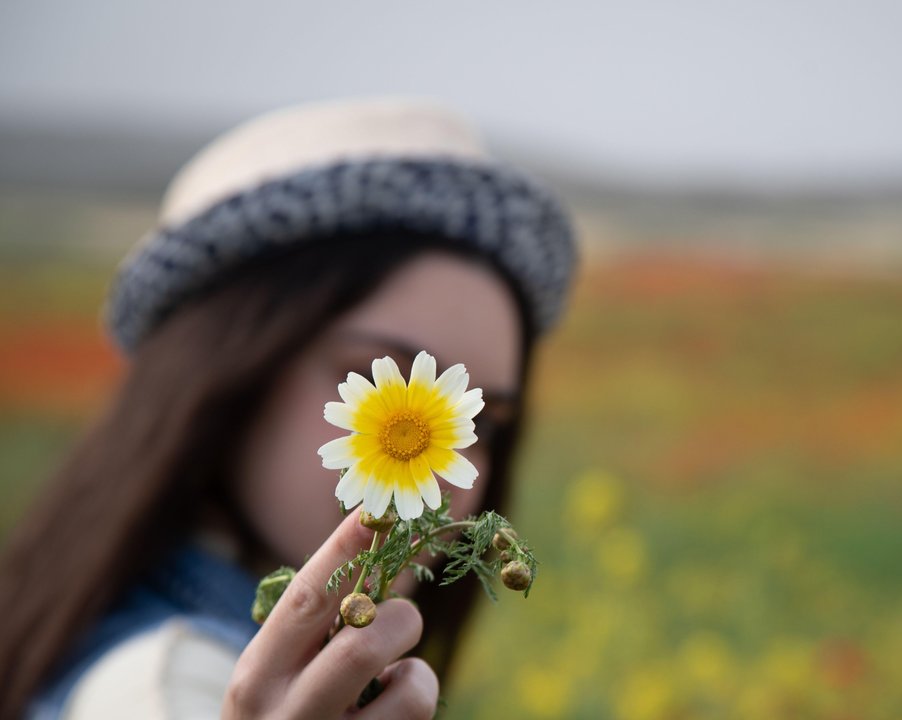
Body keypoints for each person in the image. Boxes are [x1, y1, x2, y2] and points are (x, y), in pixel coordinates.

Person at [0, 98, 577, 719]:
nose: (443, 469)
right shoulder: (168, 688)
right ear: (231, 370)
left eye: (482, 424)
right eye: (375, 376)